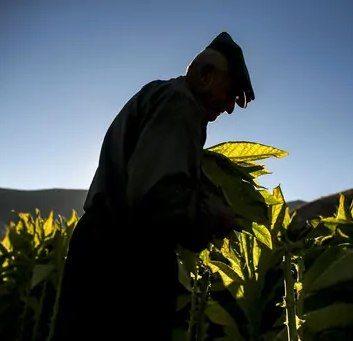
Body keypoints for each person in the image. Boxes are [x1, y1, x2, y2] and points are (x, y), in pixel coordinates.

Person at [51, 32, 255, 341]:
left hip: (101, 249)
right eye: (231, 93)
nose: (229, 108)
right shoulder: (180, 104)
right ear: (204, 74)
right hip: (125, 261)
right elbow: (157, 197)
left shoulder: (158, 95)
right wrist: (215, 215)